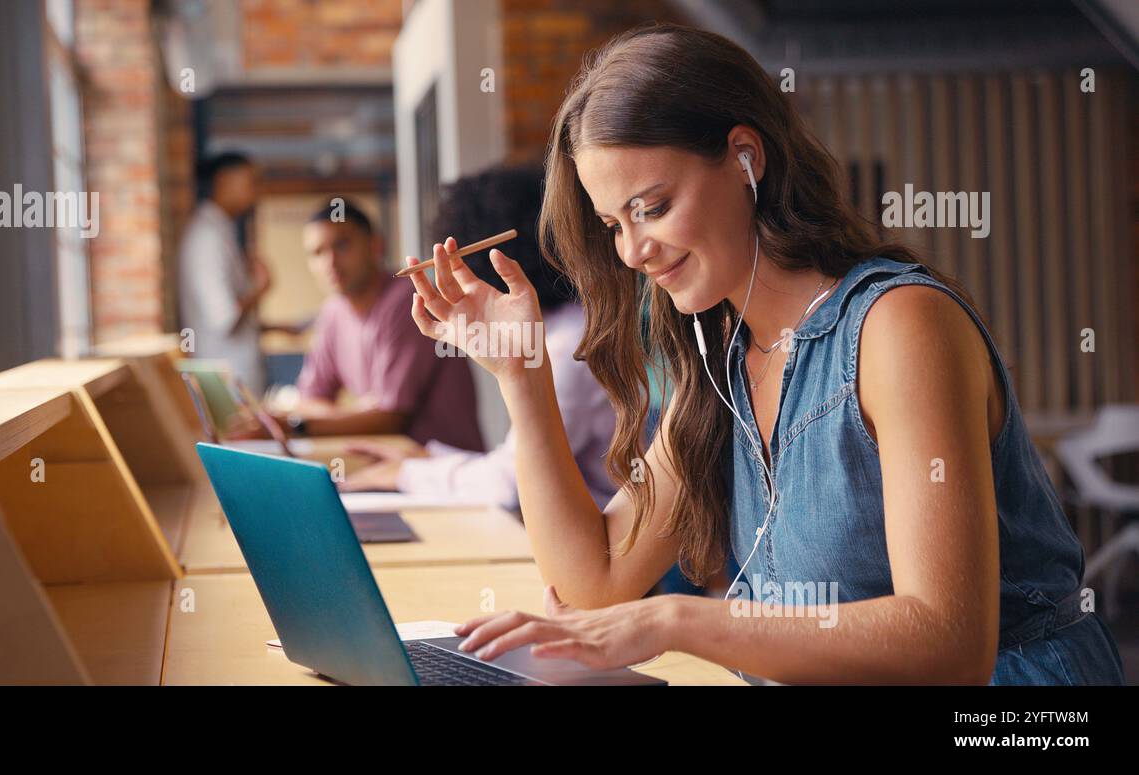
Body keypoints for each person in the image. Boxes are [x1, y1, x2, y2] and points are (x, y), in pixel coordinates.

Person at [404, 24, 1125, 685]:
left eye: (652, 207)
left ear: (745, 159)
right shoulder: (723, 359)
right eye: (612, 224)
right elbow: (594, 580)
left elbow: (948, 642)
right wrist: (521, 376)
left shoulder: (899, 326)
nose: (633, 250)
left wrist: (673, 619)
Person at [344, 167, 618, 510]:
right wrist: (425, 458)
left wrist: (407, 474)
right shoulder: (561, 327)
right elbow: (517, 462)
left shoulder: (571, 346)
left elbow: (511, 485)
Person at [283, 198, 484, 451]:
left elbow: (390, 418)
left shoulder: (408, 301)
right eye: (317, 253)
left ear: (376, 245)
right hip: (388, 469)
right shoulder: (333, 312)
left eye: (342, 245)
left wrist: (296, 426)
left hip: (446, 471)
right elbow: (309, 399)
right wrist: (355, 414)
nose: (330, 262)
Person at [177, 152, 270, 393]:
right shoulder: (208, 237)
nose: (256, 191)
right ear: (224, 180)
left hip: (235, 378)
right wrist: (260, 289)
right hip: (228, 382)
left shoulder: (221, 231)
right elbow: (225, 318)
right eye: (251, 182)